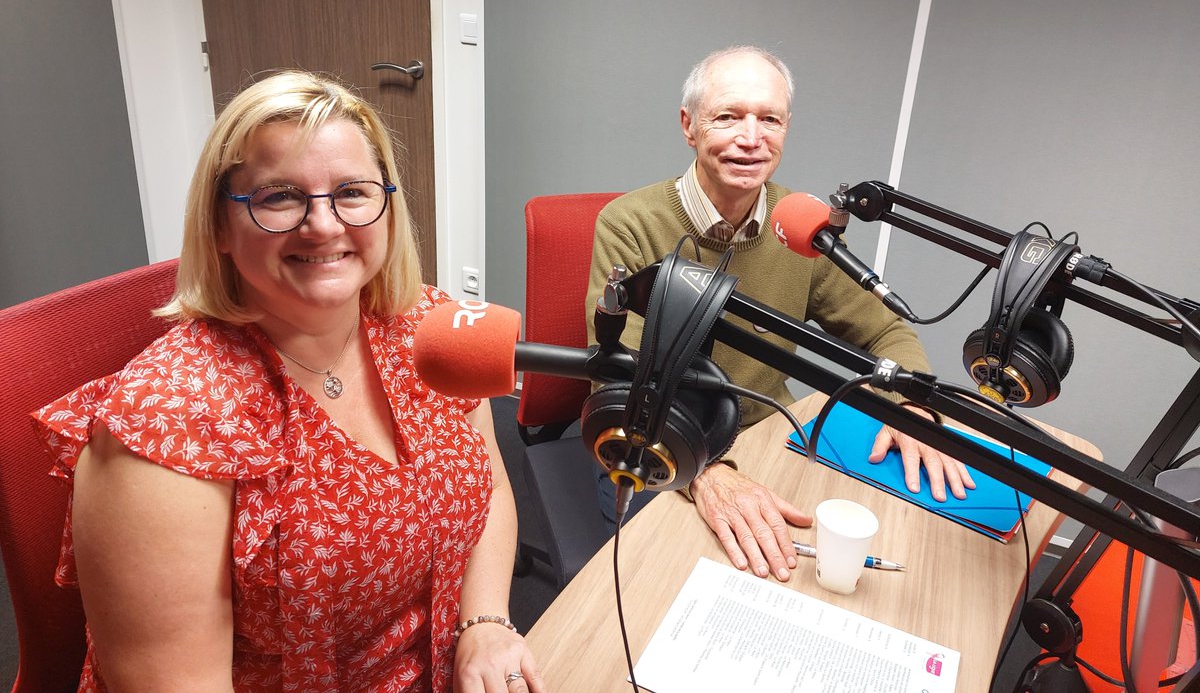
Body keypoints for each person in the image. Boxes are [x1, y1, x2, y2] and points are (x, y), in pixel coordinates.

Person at [33, 71, 544, 693]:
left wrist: (484, 622)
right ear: (221, 227)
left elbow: (489, 483)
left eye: (351, 192)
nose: (323, 225)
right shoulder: (166, 425)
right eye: (279, 197)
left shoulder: (430, 327)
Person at [585, 44, 974, 584]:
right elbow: (619, 378)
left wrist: (909, 404)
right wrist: (707, 474)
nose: (751, 138)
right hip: (656, 443)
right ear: (689, 126)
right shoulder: (628, 224)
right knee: (676, 590)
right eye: (728, 116)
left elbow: (885, 330)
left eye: (769, 119)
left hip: (769, 438)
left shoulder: (802, 229)